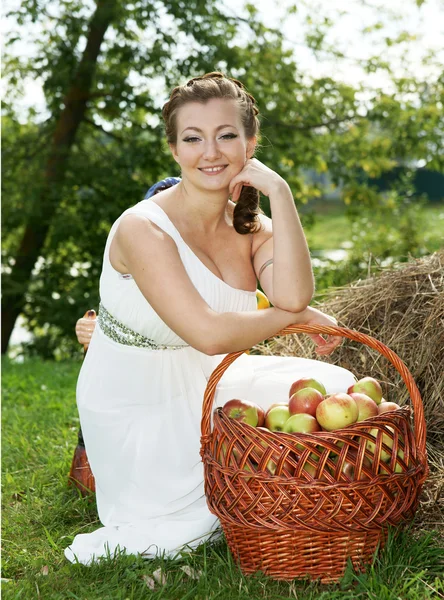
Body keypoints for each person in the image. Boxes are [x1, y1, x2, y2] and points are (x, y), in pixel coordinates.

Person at [65, 72, 355, 566]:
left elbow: (292, 292)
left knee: (333, 384)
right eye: (193, 138)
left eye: (226, 135)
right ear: (174, 150)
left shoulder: (251, 226)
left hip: (206, 378)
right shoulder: (142, 230)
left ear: (250, 144)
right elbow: (208, 332)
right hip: (136, 399)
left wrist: (280, 195)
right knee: (197, 519)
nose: (211, 152)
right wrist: (295, 318)